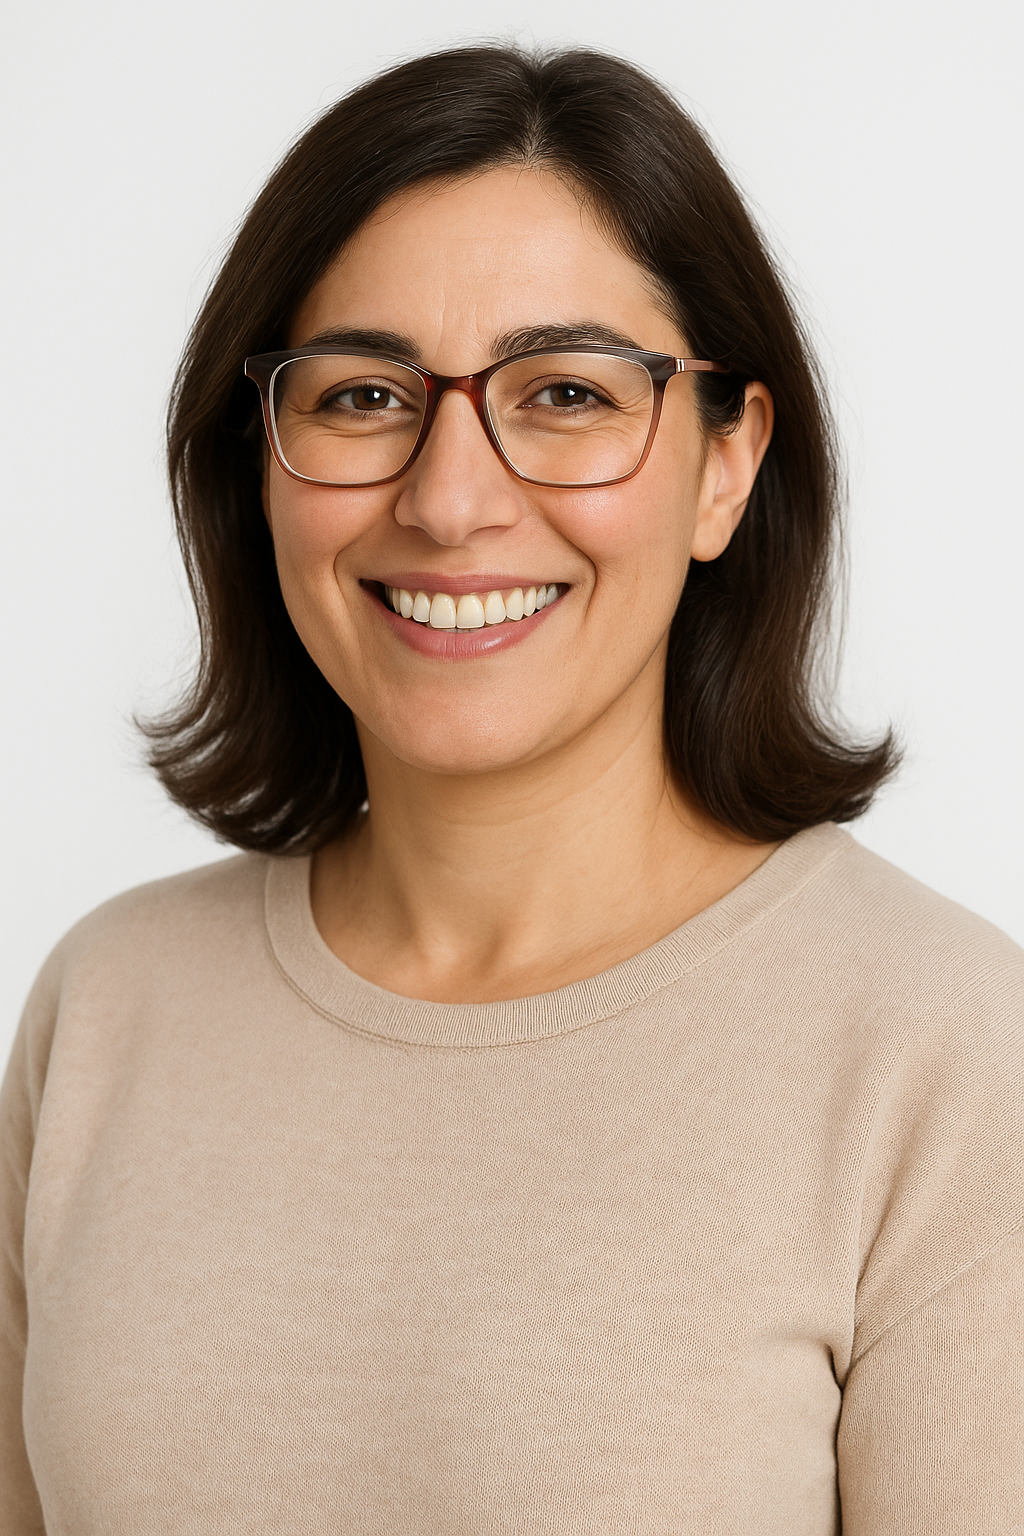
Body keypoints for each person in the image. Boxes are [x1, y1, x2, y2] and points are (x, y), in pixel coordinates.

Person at [1, 43, 1021, 1535]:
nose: (450, 498)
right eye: (364, 395)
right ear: (259, 459)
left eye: (566, 393)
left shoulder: (945, 1050)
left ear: (726, 465)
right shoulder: (107, 1008)